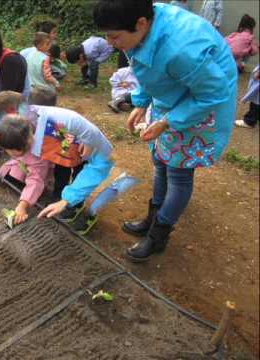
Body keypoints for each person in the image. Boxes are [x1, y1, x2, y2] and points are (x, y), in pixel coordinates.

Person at [93, 0, 237, 262]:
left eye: (115, 36)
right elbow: (148, 66)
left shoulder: (180, 49)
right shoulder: (141, 26)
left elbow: (214, 93)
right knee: (160, 159)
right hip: (176, 93)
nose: (111, 42)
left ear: (141, 23)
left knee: (178, 171)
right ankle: (153, 216)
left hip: (202, 101)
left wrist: (168, 121)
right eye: (107, 35)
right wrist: (141, 102)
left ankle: (159, 234)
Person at [0, 91, 114, 233]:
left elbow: (93, 172)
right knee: (63, 168)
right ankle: (65, 196)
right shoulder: (28, 123)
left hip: (84, 152)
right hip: (67, 148)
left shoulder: (96, 149)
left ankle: (77, 206)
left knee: (80, 174)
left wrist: (67, 200)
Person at [0, 116, 52, 225]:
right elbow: (0, 139)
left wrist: (23, 205)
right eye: (7, 149)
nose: (9, 152)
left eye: (12, 150)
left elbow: (35, 180)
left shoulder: (37, 156)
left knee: (32, 186)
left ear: (26, 143)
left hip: (39, 171)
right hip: (22, 163)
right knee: (7, 174)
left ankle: (31, 195)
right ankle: (24, 187)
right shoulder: (15, 138)